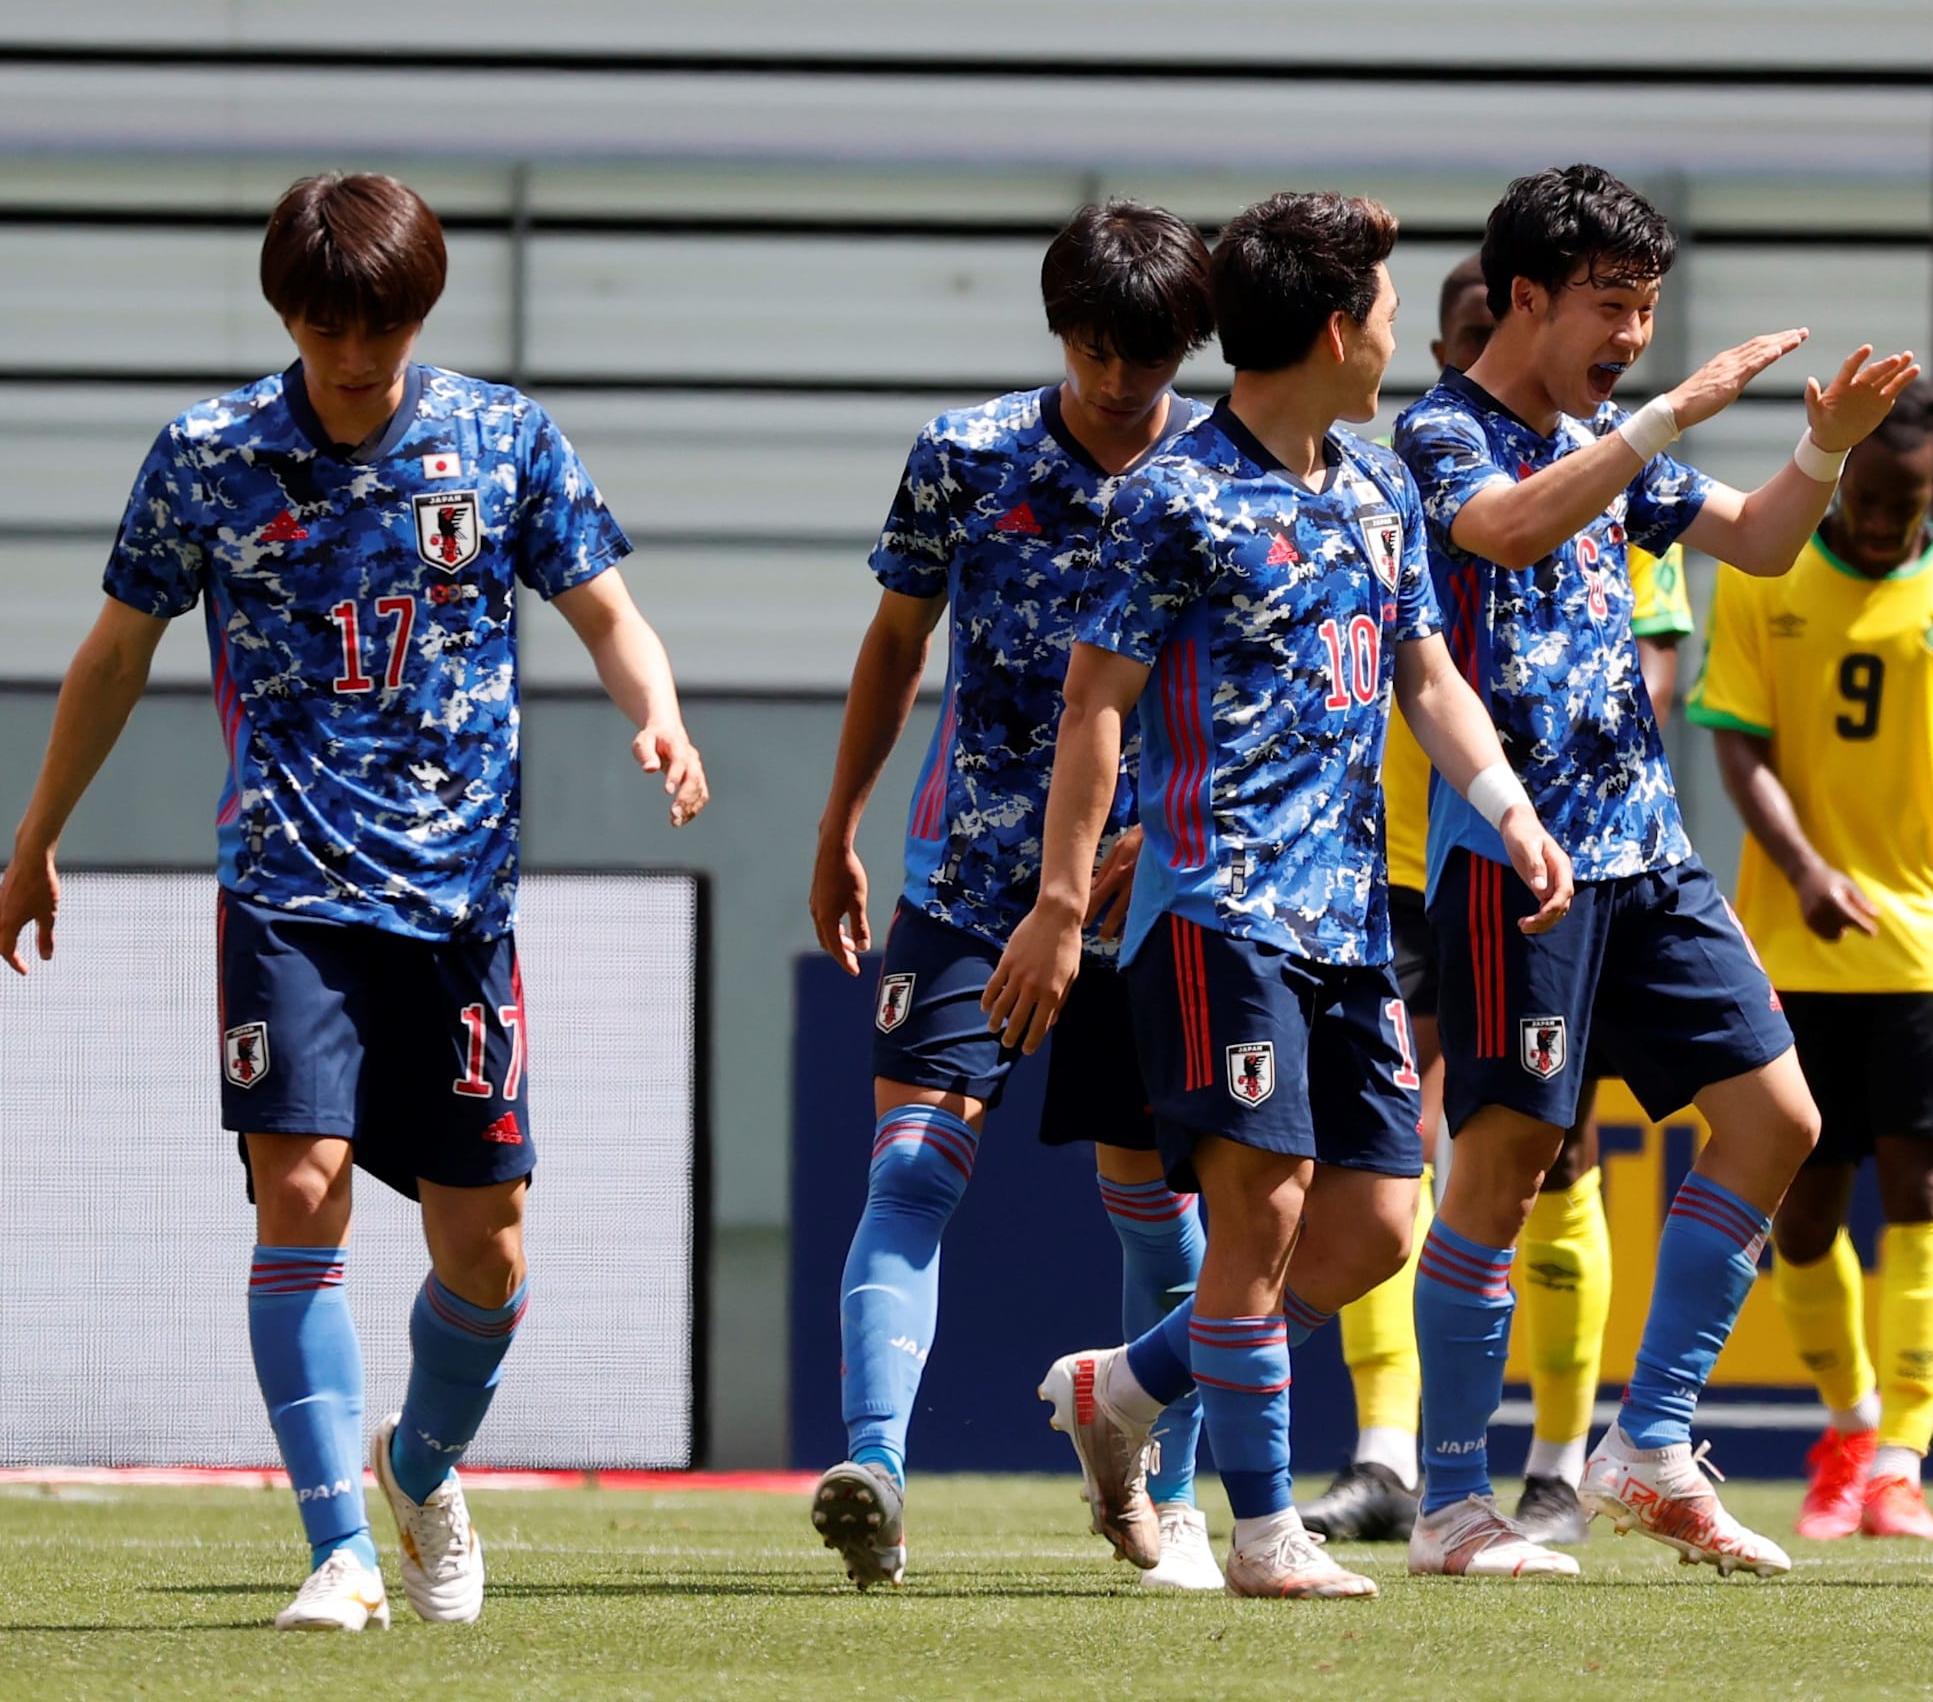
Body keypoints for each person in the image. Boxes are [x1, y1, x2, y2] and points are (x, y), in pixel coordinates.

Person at [0, 172, 708, 1631]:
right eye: (328, 330)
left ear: (420, 312)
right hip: (288, 885)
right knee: (299, 1186)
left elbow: (605, 606)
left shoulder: (502, 441)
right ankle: (337, 1551)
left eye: (379, 331)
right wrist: (34, 837)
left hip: (457, 903)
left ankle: (418, 1464)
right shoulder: (208, 456)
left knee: (489, 1250)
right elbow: (115, 657)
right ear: (287, 314)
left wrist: (659, 712)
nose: (353, 359)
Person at [994, 191, 1574, 1600]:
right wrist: (1065, 907)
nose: (1405, 335)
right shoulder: (1174, 499)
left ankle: (1123, 1387)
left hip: (1351, 929)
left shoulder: (1378, 490)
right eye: (1385, 311)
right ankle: (1263, 1531)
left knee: (1378, 1225)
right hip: (1217, 913)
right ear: (1338, 329)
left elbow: (1429, 679)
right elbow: (1094, 711)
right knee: (1262, 1209)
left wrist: (1509, 813)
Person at [1393, 162, 1915, 1578]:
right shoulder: (1439, 433)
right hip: (1518, 858)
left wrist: (1823, 454)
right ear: (1519, 300)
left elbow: (1754, 540)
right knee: (1503, 1168)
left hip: (1650, 852)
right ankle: (1450, 1500)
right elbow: (1502, 529)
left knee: (1777, 1122)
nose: (1632, 336)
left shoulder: (1608, 437)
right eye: (1609, 306)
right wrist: (1671, 415)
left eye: (1647, 309)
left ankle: (1651, 1442)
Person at [801, 201, 1220, 1593]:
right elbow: (895, 644)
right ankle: (874, 1467)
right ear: (1061, 328)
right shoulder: (967, 457)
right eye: (1099, 347)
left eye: (1149, 354)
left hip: (1152, 899)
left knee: (1160, 1211)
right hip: (971, 881)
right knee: (913, 1171)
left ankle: (1156, 1484)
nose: (1119, 379)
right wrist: (840, 819)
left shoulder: (1226, 471)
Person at [1312, 254, 1679, 1547]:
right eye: (1457, 338)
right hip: (1392, 857)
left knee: (1547, 1150)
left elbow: (1658, 661)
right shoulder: (1414, 468)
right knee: (1392, 1148)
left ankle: (1558, 1460)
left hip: (1549, 853)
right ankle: (1386, 1454)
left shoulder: (1603, 469)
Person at [1688, 378, 1933, 1540]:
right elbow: (1736, 748)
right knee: (1799, 1214)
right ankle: (1847, 1424)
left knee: (1926, 1185)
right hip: (1793, 940)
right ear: (1845, 470)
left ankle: (1898, 1457)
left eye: (1917, 494)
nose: (1893, 514)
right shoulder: (1769, 575)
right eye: (1878, 490)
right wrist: (1801, 868)